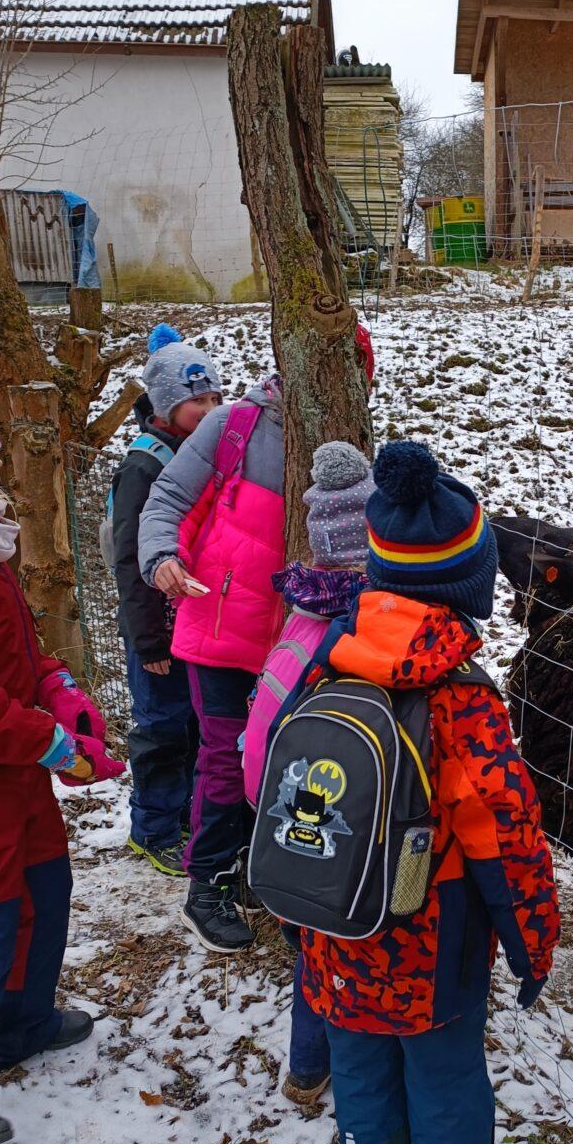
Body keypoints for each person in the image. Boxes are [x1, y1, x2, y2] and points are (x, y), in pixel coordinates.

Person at [298, 441, 560, 1144]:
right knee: (445, 1081)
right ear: (468, 587)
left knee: (362, 1075)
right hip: (429, 938)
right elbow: (506, 839)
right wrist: (533, 949)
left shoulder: (326, 663)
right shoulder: (462, 701)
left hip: (335, 924)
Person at [0, 390, 123, 1144]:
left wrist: (59, 687)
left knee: (45, 891)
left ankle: (24, 1018)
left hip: (17, 768)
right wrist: (46, 739)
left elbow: (18, 651)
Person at [243, 440, 375, 1108]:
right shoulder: (353, 635)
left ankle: (305, 1069)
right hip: (320, 825)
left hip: (273, 812)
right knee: (332, 951)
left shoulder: (302, 611)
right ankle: (330, 1067)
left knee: (312, 951)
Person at [138, 364, 286, 954]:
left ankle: (260, 871)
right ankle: (209, 887)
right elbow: (166, 499)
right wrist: (160, 557)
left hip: (291, 638)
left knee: (279, 759)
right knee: (226, 757)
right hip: (220, 627)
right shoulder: (233, 427)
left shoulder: (350, 431)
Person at [110, 325, 221, 876]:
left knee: (191, 725)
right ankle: (152, 828)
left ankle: (178, 815)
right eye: (196, 400)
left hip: (192, 621)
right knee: (159, 727)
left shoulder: (194, 452)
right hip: (156, 628)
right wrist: (147, 637)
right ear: (167, 405)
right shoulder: (144, 466)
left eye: (214, 398)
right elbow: (130, 562)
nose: (209, 408)